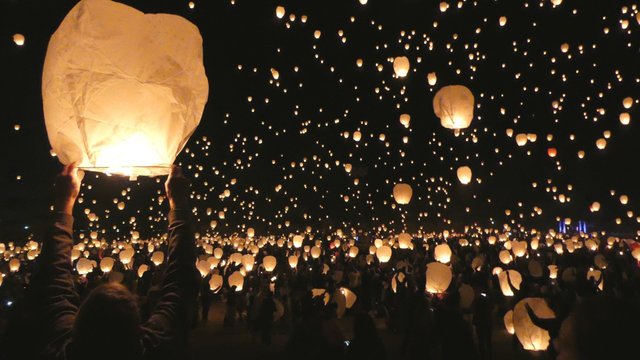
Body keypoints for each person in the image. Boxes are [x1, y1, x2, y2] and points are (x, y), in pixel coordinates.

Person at [30, 164, 199, 360]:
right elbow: (181, 280)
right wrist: (178, 204)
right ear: (138, 330)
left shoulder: (62, 351)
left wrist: (63, 203)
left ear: (78, 323)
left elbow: (53, 282)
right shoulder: (154, 350)